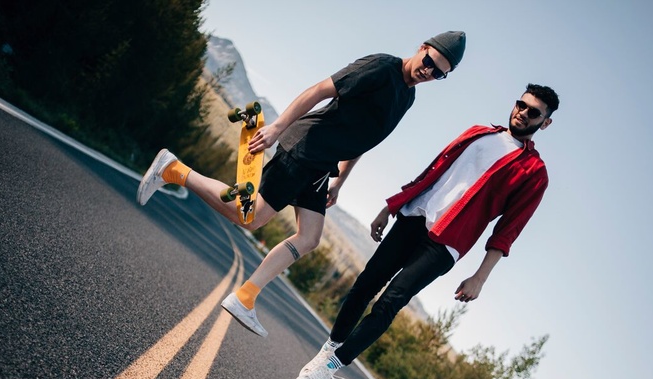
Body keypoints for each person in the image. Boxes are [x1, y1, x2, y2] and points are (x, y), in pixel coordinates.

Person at [136, 31, 467, 337]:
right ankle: (174, 170)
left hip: (322, 165)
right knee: (248, 216)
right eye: (429, 63)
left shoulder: (406, 99)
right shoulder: (381, 67)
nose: (429, 72)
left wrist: (340, 182)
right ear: (422, 48)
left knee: (309, 238)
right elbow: (321, 89)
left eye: (439, 73)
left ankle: (245, 297)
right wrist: (277, 127)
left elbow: (364, 140)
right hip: (306, 148)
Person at [295, 83, 560, 379]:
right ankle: (330, 347)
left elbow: (508, 230)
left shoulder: (534, 172)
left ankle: (331, 366)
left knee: (391, 302)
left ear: (545, 122)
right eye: (521, 105)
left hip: (447, 243)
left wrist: (480, 277)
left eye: (534, 113)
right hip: (414, 217)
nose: (523, 113)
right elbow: (433, 171)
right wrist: (391, 206)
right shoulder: (479, 133)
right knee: (365, 284)